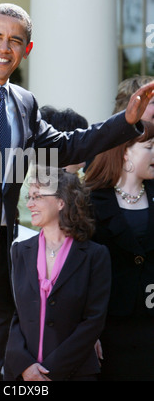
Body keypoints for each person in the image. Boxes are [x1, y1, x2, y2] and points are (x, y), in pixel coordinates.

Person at [0, 2, 154, 381]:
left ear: (26, 50)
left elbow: (67, 147)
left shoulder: (24, 103)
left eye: (15, 41)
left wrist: (126, 122)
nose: (4, 47)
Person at [4, 167, 111, 381]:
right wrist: (25, 366)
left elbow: (93, 321)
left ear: (61, 202)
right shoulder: (19, 251)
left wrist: (50, 371)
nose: (29, 204)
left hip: (76, 373)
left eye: (37, 197)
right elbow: (11, 313)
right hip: (23, 375)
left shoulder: (95, 255)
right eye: (29, 197)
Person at [85, 133, 154, 380]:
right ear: (125, 152)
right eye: (149, 147)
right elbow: (82, 271)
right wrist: (87, 331)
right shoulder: (90, 200)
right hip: (107, 327)